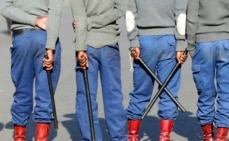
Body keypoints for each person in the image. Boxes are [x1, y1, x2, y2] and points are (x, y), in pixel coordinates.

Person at [0, 0, 63, 140]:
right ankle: (41, 137)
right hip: (45, 36)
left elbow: (3, 6)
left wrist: (33, 20)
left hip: (21, 37)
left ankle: (19, 136)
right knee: (46, 92)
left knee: (22, 91)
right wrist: (51, 47)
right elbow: (55, 12)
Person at [125, 0, 188, 140]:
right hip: (169, 41)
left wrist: (133, 42)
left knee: (140, 91)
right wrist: (180, 44)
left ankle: (132, 136)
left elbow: (130, 15)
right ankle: (164, 136)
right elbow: (181, 15)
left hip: (144, 41)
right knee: (168, 91)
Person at [186, 0, 229, 140]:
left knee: (205, 91)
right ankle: (221, 136)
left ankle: (208, 135)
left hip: (203, 44)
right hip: (227, 44)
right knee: (227, 93)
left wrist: (191, 47)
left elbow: (191, 19)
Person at [71, 0, 128, 140]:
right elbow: (121, 9)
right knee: (113, 95)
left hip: (87, 43)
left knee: (85, 98)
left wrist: (80, 48)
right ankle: (119, 138)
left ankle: (92, 138)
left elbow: (79, 19)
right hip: (109, 42)